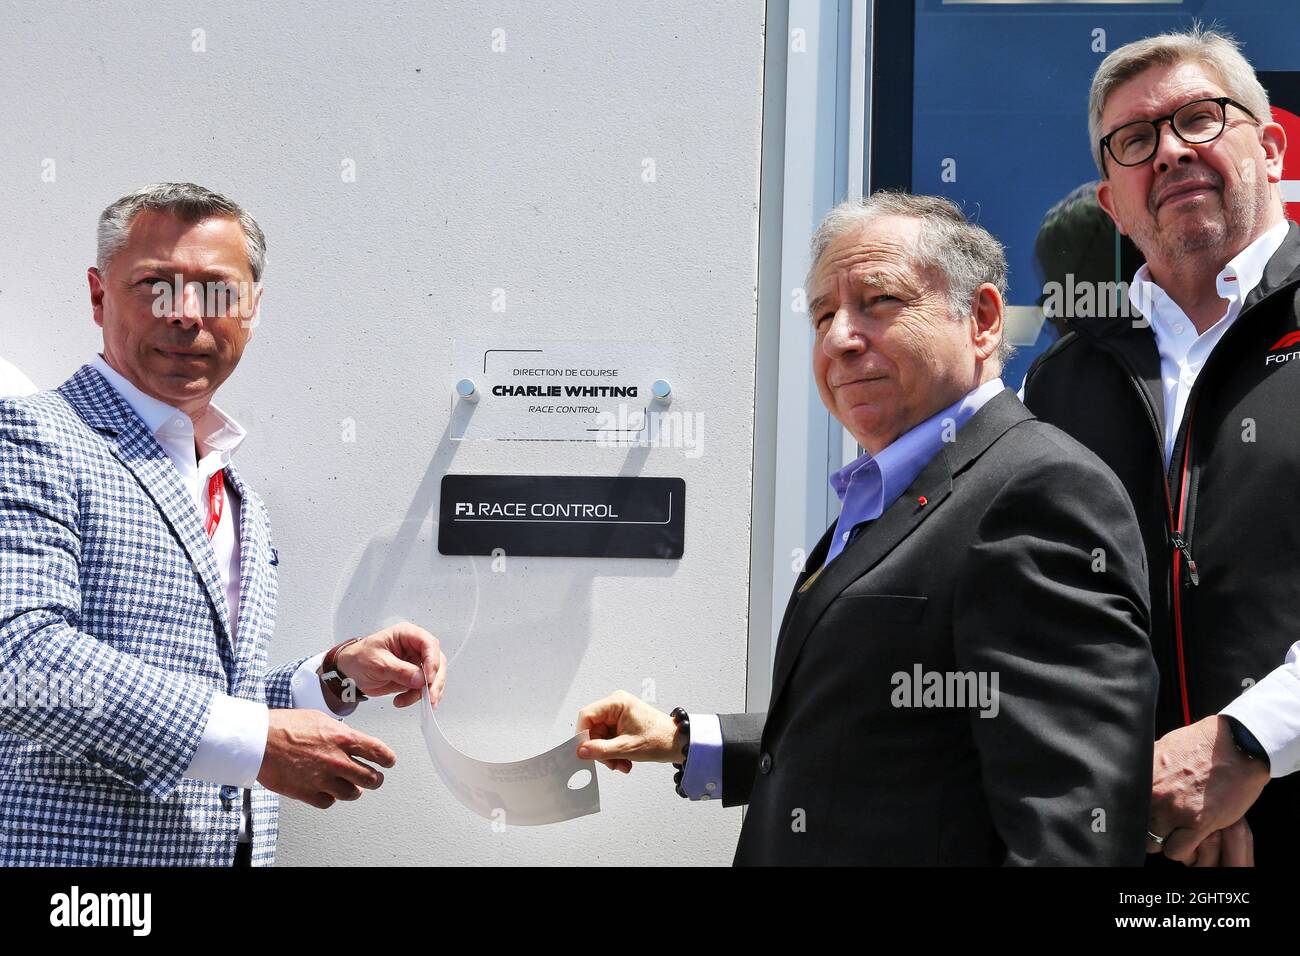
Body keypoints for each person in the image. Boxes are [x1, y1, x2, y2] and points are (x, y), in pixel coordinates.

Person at [577, 191, 1158, 865]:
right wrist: (689, 739)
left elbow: (1071, 832)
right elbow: (888, 730)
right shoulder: (896, 487)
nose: (839, 338)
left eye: (878, 302)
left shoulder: (1038, 492)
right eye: (822, 314)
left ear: (982, 319)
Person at [0, 183, 447, 866]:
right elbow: (20, 659)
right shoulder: (29, 435)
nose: (185, 314)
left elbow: (218, 699)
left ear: (252, 308)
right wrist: (261, 742)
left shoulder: (230, 486)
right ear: (98, 295)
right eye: (155, 285)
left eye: (216, 290)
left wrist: (332, 680)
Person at [1023, 25, 1300, 867]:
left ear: (1273, 146)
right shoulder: (1061, 384)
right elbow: (1036, 621)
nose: (1172, 151)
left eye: (1200, 119)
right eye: (1136, 140)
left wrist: (1245, 745)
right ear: (1113, 198)